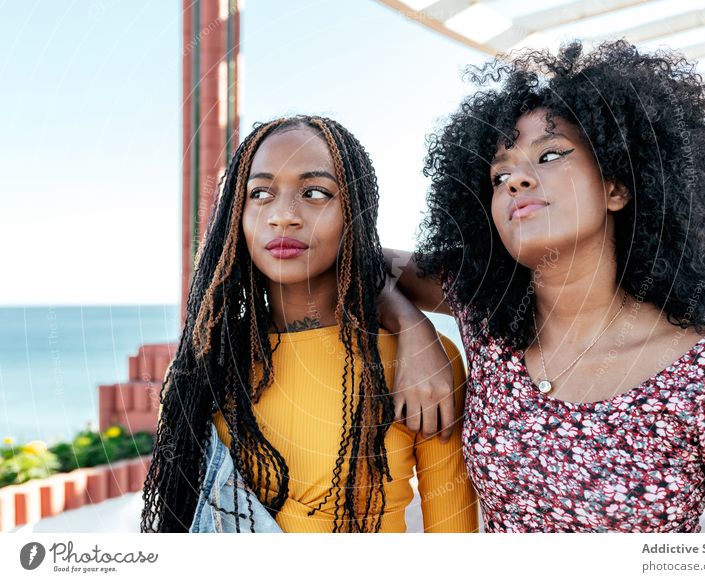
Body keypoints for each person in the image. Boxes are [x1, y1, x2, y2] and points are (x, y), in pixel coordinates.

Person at [380, 40, 705, 532]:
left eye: (550, 155)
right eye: (499, 175)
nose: (516, 181)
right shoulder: (487, 317)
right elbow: (357, 263)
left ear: (616, 188)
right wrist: (411, 327)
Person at [140, 115, 478, 533]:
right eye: (260, 193)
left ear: (352, 213)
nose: (283, 216)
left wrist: (408, 323)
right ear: (236, 218)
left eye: (316, 193)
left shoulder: (422, 364)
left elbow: (452, 536)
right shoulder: (204, 369)